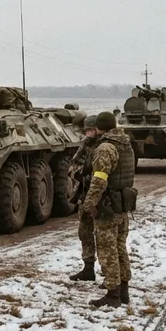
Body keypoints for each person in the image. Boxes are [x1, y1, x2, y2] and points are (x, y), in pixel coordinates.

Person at [80, 111, 136, 308]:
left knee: (107, 250)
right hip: (122, 203)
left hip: (107, 206)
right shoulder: (125, 144)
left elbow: (99, 179)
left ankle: (113, 294)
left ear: (98, 128)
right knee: (120, 248)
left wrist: (90, 204)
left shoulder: (105, 147)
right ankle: (124, 290)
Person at [69, 115, 101, 282]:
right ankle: (88, 268)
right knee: (85, 232)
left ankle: (110, 274)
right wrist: (77, 173)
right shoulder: (86, 145)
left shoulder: (105, 146)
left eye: (91, 130)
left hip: (101, 197)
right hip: (85, 193)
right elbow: (74, 163)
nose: (88, 133)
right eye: (86, 130)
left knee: (103, 236)